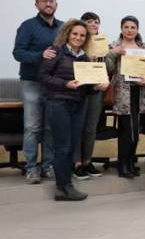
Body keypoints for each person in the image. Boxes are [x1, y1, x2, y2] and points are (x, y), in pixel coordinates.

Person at [39, 19, 109, 200]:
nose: (78, 37)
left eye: (82, 35)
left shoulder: (85, 58)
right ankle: (62, 188)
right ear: (68, 34)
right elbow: (43, 77)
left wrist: (97, 87)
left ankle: (67, 184)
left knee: (70, 146)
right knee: (62, 147)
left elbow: (85, 87)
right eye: (75, 34)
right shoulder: (55, 52)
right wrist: (65, 84)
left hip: (77, 105)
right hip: (58, 103)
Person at [13, 0, 63, 184]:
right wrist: (39, 55)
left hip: (54, 84)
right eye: (43, 1)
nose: (48, 4)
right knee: (33, 127)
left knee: (51, 127)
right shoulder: (27, 26)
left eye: (51, 1)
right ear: (37, 5)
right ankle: (31, 168)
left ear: (56, 4)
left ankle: (48, 165)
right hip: (32, 82)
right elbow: (18, 53)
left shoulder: (63, 27)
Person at [105, 16, 145, 178]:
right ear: (121, 29)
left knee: (136, 130)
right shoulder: (114, 46)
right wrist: (113, 54)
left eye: (133, 27)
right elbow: (108, 69)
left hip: (140, 94)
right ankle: (123, 165)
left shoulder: (144, 48)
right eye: (126, 27)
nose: (129, 30)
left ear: (137, 29)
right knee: (126, 130)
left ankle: (131, 162)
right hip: (123, 94)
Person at [72, 12, 106, 180]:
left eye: (96, 22)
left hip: (96, 90)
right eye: (90, 22)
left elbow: (109, 66)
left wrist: (106, 81)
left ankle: (87, 161)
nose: (93, 24)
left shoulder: (103, 43)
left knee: (91, 128)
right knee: (78, 127)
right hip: (79, 90)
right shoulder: (77, 41)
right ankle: (76, 163)